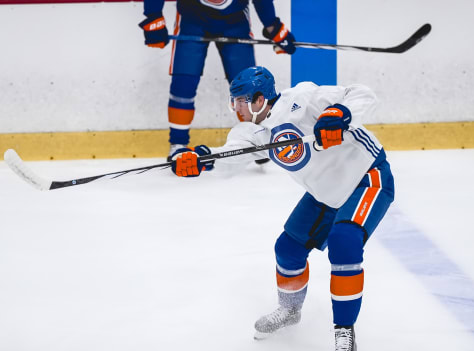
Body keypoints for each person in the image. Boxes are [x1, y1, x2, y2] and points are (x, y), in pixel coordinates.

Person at [170, 66, 395, 351]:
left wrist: (338, 115)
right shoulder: (253, 132)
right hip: (325, 193)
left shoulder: (303, 98)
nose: (237, 108)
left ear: (259, 99)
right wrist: (201, 159)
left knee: (344, 241)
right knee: (287, 249)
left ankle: (344, 332)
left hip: (366, 177)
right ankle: (290, 310)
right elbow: (230, 156)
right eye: (234, 101)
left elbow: (362, 94)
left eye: (241, 100)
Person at [138, 0, 296, 156]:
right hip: (192, 17)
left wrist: (272, 26)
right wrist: (153, 15)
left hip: (235, 20)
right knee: (183, 84)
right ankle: (178, 143)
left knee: (249, 88)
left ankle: (255, 138)